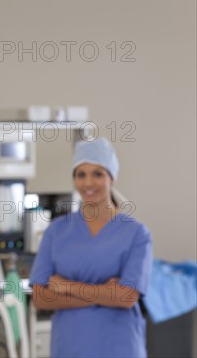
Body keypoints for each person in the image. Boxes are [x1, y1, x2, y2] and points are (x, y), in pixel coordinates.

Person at [29, 137, 153, 358]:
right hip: (70, 347)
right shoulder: (57, 231)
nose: (88, 183)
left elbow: (126, 298)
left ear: (111, 177)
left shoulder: (136, 233)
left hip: (119, 347)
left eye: (98, 174)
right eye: (81, 174)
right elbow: (41, 298)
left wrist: (66, 286)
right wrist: (105, 293)